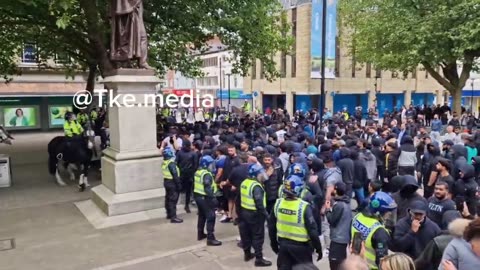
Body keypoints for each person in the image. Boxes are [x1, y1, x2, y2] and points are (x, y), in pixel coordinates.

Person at [268, 175, 323, 269]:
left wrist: (273, 244)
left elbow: (271, 227)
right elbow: (313, 231)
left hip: (283, 246)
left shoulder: (278, 204)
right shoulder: (304, 207)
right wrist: (318, 248)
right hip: (302, 249)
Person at [351, 191, 397, 270]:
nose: (389, 215)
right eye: (387, 212)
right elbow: (382, 261)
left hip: (356, 263)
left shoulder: (357, 217)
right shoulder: (380, 232)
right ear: (378, 212)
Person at [239, 163, 272, 267]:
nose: (262, 175)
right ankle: (259, 258)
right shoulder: (256, 186)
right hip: (255, 214)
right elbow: (259, 204)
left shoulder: (245, 182)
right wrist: (267, 215)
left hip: (244, 212)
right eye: (260, 173)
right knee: (258, 236)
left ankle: (247, 254)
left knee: (246, 234)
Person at [193, 155, 222, 246]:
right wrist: (213, 198)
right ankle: (210, 238)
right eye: (210, 164)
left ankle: (200, 233)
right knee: (211, 216)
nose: (212, 166)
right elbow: (207, 187)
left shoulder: (198, 171)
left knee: (202, 215)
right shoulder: (206, 174)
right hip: (205, 197)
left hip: (198, 196)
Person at [326, 181, 352, 270]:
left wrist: (328, 209)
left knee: (334, 263)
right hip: (344, 237)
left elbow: (332, 220)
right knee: (340, 262)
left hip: (338, 239)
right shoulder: (346, 202)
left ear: (336, 190)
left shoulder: (339, 205)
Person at [176, 140, 198, 214]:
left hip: (189, 175)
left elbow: (195, 165)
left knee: (188, 191)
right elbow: (177, 163)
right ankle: (177, 205)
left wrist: (192, 173)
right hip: (182, 174)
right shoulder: (180, 153)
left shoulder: (193, 154)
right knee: (178, 190)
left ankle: (187, 205)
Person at [161, 147, 183, 223]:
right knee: (173, 200)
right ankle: (173, 217)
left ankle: (169, 214)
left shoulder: (164, 162)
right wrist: (179, 185)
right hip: (172, 182)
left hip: (166, 181)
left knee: (168, 198)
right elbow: (175, 174)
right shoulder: (171, 163)